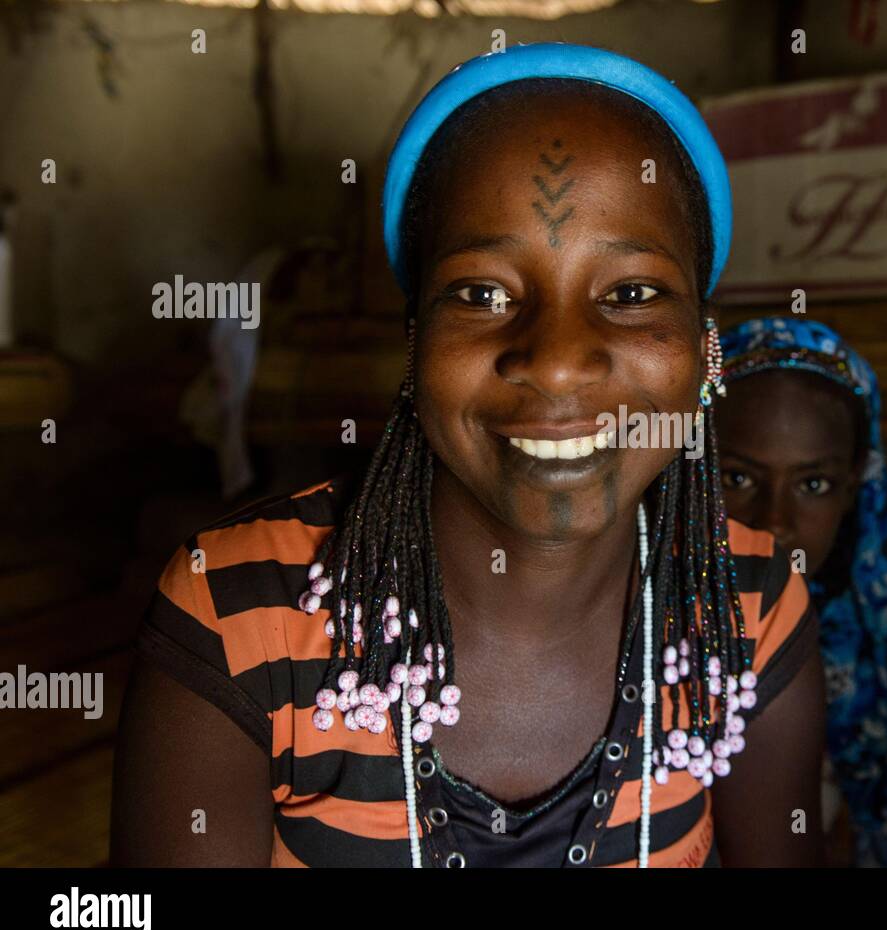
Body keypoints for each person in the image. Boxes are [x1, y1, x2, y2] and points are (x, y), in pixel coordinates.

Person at [109, 44, 824, 868]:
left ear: (706, 350)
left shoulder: (746, 612)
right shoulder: (239, 615)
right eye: (482, 293)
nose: (556, 360)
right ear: (416, 344)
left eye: (630, 294)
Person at [715, 317, 887, 866]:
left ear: (852, 491)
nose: (775, 521)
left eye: (812, 484)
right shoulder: (644, 644)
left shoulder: (874, 652)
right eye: (737, 478)